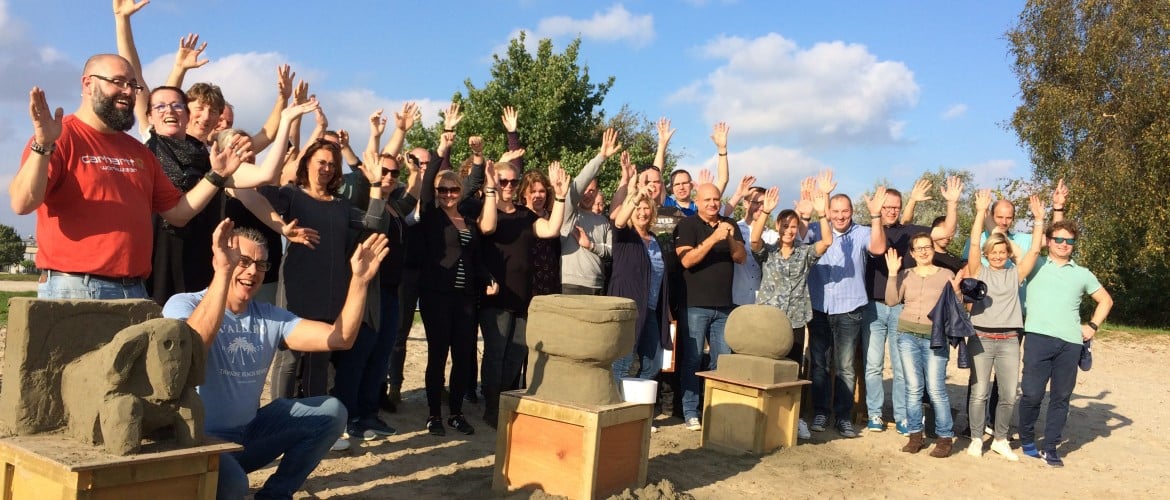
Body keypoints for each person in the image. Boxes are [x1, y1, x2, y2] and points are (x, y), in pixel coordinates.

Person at [163, 219, 388, 499]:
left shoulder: (269, 316)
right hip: (198, 442)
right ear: (221, 258)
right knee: (234, 486)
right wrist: (223, 272)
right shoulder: (184, 304)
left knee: (331, 412)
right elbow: (192, 350)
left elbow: (339, 338)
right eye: (242, 261)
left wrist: (359, 281)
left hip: (249, 435)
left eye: (260, 264)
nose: (252, 271)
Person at [12, 55, 240, 300]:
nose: (128, 91)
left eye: (133, 85)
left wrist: (216, 175)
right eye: (118, 82)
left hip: (134, 289)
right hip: (74, 287)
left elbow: (178, 213)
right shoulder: (61, 136)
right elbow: (23, 203)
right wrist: (43, 145)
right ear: (87, 84)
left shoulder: (139, 151)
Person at [478, 144, 567, 428]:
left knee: (515, 356)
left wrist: (562, 196)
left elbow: (551, 230)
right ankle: (492, 409)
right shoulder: (489, 213)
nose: (508, 186)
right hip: (496, 298)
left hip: (523, 299)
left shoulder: (527, 216)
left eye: (512, 182)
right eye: (502, 181)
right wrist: (489, 190)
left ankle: (505, 405)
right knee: (495, 356)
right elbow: (487, 229)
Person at [863, 177, 960, 435]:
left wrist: (952, 203)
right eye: (886, 206)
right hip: (872, 306)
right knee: (873, 365)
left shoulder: (910, 232)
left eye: (896, 206)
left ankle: (903, 417)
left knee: (901, 368)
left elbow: (946, 231)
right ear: (878, 207)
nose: (891, 211)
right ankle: (874, 414)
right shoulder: (869, 230)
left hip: (900, 307)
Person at [416, 136, 497, 437]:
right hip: (436, 295)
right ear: (436, 193)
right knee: (438, 354)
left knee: (464, 356)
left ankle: (456, 413)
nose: (448, 194)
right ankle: (434, 414)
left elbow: (473, 257)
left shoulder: (468, 218)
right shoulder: (431, 216)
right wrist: (441, 150)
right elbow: (426, 186)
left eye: (453, 189)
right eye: (443, 190)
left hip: (465, 297)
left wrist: (487, 277)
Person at [1018, 219, 1112, 467]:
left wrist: (1092, 326)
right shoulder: (1035, 264)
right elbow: (1025, 248)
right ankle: (1027, 439)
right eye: (1058, 239)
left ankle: (1050, 447)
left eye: (1069, 241)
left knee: (1061, 397)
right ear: (1048, 241)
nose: (1063, 244)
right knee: (1031, 394)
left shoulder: (1083, 273)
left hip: (1070, 344)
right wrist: (1041, 219)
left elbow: (1106, 301)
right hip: (1038, 338)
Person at [751, 173, 835, 440]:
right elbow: (754, 241)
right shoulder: (769, 252)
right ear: (778, 226)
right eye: (785, 226)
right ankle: (761, 412)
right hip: (768, 320)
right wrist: (765, 210)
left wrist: (823, 215)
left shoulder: (804, 253)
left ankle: (793, 417)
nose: (788, 231)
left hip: (796, 320)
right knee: (764, 365)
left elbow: (827, 242)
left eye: (792, 226)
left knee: (792, 369)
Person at [965, 190, 1044, 460]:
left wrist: (1039, 220)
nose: (998, 255)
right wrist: (979, 213)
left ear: (1008, 253)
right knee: (979, 393)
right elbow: (975, 245)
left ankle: (999, 438)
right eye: (994, 251)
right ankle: (976, 438)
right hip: (981, 338)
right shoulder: (980, 271)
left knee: (1009, 395)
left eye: (1002, 251)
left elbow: (1034, 249)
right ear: (988, 253)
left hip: (1009, 340)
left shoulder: (1016, 275)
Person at [805, 188, 888, 438]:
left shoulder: (862, 231)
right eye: (835, 211)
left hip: (849, 309)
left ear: (852, 212)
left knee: (846, 366)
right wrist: (808, 210)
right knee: (819, 364)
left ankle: (843, 416)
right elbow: (797, 236)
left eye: (845, 211)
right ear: (828, 212)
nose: (840, 216)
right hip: (819, 306)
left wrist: (876, 217)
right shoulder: (816, 229)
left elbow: (879, 248)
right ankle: (821, 411)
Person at [673, 180, 746, 431]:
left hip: (724, 306)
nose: (713, 204)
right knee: (692, 359)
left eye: (716, 199)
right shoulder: (687, 225)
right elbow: (687, 261)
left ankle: (715, 409)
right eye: (707, 200)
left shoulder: (731, 224)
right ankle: (690, 411)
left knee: (721, 361)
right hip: (694, 305)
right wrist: (714, 238)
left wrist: (730, 238)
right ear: (697, 202)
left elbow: (741, 258)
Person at [884, 233, 961, 457]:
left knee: (936, 389)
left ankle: (945, 437)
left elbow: (956, 306)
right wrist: (891, 274)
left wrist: (956, 292)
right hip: (907, 335)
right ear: (912, 252)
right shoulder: (905, 274)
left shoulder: (946, 274)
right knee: (913, 387)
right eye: (919, 248)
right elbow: (891, 300)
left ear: (933, 249)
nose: (924, 251)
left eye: (927, 247)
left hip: (935, 337)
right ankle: (915, 435)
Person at [610, 182, 672, 384]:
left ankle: (633, 401)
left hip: (652, 309)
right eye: (638, 208)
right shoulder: (624, 236)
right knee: (622, 361)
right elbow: (619, 221)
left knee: (654, 363)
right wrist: (635, 197)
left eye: (646, 208)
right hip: (628, 309)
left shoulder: (655, 240)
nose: (642, 212)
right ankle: (615, 405)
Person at [560, 128, 620, 295]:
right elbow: (579, 182)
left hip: (596, 285)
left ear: (597, 192)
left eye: (592, 190)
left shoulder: (603, 221)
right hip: (570, 284)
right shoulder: (569, 212)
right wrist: (601, 157)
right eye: (584, 189)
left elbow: (611, 251)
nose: (587, 193)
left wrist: (591, 245)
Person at [723, 176, 766, 306]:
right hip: (735, 299)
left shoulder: (773, 235)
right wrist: (738, 194)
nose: (760, 207)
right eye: (755, 202)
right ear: (745, 203)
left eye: (763, 203)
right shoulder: (734, 229)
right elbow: (721, 217)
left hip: (762, 301)